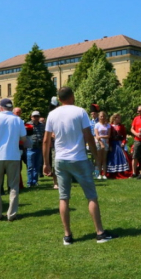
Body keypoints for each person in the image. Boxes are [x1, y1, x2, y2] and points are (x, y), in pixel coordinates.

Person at [43, 87, 114, 245]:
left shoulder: (52, 114)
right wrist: (96, 158)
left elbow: (46, 140)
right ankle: (100, 232)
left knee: (63, 197)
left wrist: (46, 163)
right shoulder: (80, 112)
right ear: (72, 96)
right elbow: (88, 136)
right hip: (79, 158)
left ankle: (67, 235)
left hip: (60, 160)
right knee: (91, 196)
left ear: (59, 99)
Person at [0, 98, 27, 221]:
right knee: (14, 186)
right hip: (13, 155)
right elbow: (24, 139)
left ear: (0, 107)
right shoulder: (17, 120)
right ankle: (11, 214)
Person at [106, 113, 132, 179]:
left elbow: (124, 136)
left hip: (119, 144)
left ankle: (122, 172)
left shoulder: (122, 126)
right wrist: (109, 145)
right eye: (118, 118)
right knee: (112, 158)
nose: (119, 119)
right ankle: (112, 172)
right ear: (114, 118)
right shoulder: (110, 126)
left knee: (123, 157)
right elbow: (108, 137)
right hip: (112, 144)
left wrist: (123, 142)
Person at [26, 111, 45, 186]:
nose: (36, 118)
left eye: (37, 116)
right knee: (30, 166)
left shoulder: (42, 125)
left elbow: (43, 134)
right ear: (31, 117)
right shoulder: (28, 125)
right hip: (30, 148)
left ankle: (35, 181)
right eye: (34, 116)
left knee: (37, 166)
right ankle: (29, 182)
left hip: (39, 147)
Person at [94, 111, 111, 179]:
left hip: (106, 142)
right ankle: (98, 174)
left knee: (104, 159)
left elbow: (108, 135)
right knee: (99, 158)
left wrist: (101, 137)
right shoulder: (97, 125)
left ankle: (104, 174)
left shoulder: (108, 125)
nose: (102, 117)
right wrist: (101, 143)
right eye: (101, 116)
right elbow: (97, 136)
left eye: (103, 116)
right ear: (99, 117)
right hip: (98, 142)